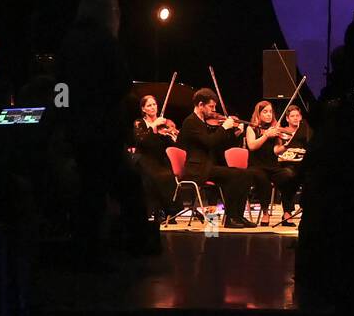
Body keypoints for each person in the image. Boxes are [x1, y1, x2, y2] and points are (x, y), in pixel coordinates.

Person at [56, 0, 153, 257]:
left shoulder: (70, 40)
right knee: (126, 185)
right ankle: (133, 246)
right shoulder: (105, 41)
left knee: (91, 190)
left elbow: (60, 86)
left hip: (79, 129)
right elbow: (121, 84)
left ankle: (88, 249)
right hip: (103, 130)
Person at [177, 88, 267, 229]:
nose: (214, 110)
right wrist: (224, 128)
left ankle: (238, 215)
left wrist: (234, 133)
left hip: (209, 165)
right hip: (197, 168)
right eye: (211, 106)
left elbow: (220, 145)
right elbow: (209, 142)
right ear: (200, 105)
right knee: (234, 175)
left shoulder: (204, 122)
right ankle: (230, 218)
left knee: (246, 173)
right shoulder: (190, 122)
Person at [244, 101, 300, 220]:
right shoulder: (251, 128)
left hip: (273, 166)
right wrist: (266, 136)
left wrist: (286, 146)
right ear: (258, 114)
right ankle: (265, 212)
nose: (269, 114)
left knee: (289, 176)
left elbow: (276, 150)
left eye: (270, 112)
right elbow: (252, 146)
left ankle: (287, 212)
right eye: (265, 112)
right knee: (262, 179)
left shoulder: (275, 130)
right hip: (256, 166)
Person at [129, 94, 179, 222]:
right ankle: (159, 210)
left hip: (159, 158)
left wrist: (173, 138)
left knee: (169, 174)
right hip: (144, 158)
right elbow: (141, 140)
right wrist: (153, 126)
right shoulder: (139, 122)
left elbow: (170, 145)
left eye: (154, 104)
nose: (153, 107)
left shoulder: (164, 123)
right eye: (149, 105)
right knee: (158, 176)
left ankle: (171, 212)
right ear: (143, 109)